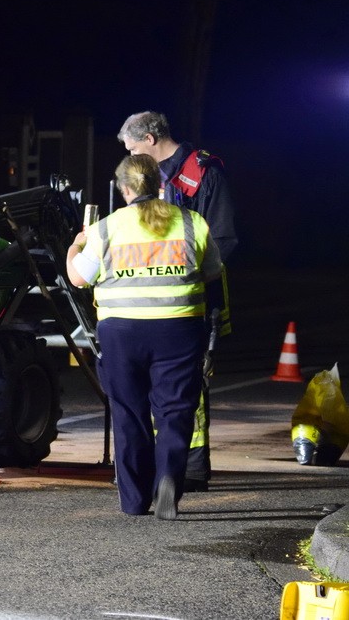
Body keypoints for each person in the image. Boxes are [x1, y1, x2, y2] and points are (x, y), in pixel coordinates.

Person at [67, 154, 223, 520]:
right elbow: (213, 272)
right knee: (175, 410)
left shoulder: (106, 228)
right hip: (179, 329)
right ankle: (169, 477)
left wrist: (76, 246)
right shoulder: (191, 223)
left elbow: (79, 278)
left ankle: (134, 500)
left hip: (122, 333)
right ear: (160, 184)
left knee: (129, 414)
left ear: (124, 189)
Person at [117, 110, 236, 492]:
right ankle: (160, 467)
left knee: (190, 384)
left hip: (193, 297)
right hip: (148, 299)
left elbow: (224, 239)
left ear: (150, 139)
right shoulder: (144, 176)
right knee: (156, 386)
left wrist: (187, 277)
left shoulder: (203, 174)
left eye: (134, 148)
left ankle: (190, 468)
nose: (131, 157)